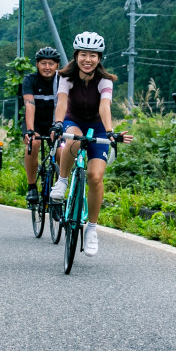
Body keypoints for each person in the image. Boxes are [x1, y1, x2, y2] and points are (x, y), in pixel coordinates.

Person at [49, 31, 131, 257]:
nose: (88, 59)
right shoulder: (65, 76)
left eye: (93, 55)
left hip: (98, 126)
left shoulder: (104, 80)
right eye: (83, 54)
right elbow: (62, 102)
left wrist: (111, 132)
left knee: (95, 177)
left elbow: (105, 106)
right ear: (76, 56)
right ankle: (63, 182)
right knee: (72, 141)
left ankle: (92, 229)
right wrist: (57, 123)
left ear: (99, 58)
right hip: (72, 120)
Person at [21, 46, 61, 209]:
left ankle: (60, 186)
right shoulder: (30, 80)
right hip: (35, 121)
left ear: (57, 65)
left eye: (51, 64)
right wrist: (30, 131)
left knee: (62, 151)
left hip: (55, 122)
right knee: (34, 143)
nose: (47, 67)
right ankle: (32, 187)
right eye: (43, 63)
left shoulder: (62, 81)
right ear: (37, 64)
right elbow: (29, 105)